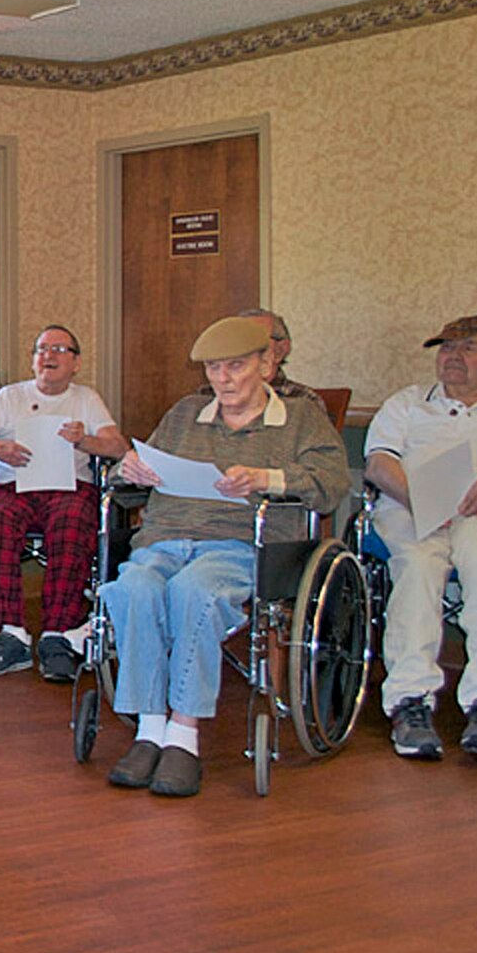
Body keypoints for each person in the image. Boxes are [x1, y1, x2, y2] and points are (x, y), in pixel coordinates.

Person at [99, 315, 349, 798]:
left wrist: (266, 478)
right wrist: (129, 470)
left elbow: (331, 485)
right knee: (134, 586)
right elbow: (129, 476)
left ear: (267, 364)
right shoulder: (186, 413)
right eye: (214, 369)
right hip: (165, 538)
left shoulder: (299, 419)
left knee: (196, 591)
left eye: (235, 367)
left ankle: (183, 738)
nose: (223, 380)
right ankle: (150, 729)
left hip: (238, 543)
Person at [365, 315, 477, 761]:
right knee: (418, 569)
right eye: (446, 347)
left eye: (469, 347)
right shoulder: (408, 403)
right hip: (412, 507)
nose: (453, 356)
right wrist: (422, 500)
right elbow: (378, 464)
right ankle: (410, 701)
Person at [0, 324, 127, 681]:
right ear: (33, 360)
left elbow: (118, 447)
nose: (50, 356)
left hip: (70, 489)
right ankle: (11, 634)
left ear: (75, 362)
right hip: (13, 489)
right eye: (42, 349)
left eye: (60, 349)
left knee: (73, 521)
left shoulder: (85, 398)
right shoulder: (10, 397)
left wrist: (85, 440)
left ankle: (58, 636)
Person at [196, 307, 325, 413]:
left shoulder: (303, 401)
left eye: (256, 341)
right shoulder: (204, 397)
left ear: (280, 350)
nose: (240, 348)